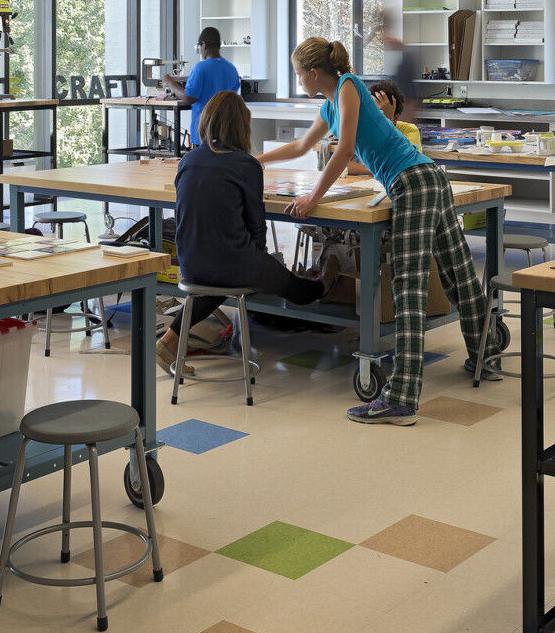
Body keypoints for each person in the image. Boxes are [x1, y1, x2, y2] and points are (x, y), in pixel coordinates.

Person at [260, 38, 491, 426]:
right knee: (458, 271)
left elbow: (346, 148)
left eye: (298, 71)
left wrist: (313, 197)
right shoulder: (330, 104)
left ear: (314, 72)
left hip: (413, 182)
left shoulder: (348, 85)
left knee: (408, 289)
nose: (297, 78)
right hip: (427, 177)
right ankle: (487, 352)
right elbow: (301, 145)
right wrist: (254, 160)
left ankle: (401, 399)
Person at [163, 91, 325, 378]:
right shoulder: (245, 164)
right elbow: (256, 225)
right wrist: (260, 255)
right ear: (242, 126)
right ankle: (328, 286)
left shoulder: (187, 160)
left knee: (217, 280)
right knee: (296, 289)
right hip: (232, 264)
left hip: (189, 263)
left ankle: (168, 342)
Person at [163, 27, 241, 128]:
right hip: (226, 129)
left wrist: (170, 83)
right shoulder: (232, 69)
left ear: (204, 44)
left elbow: (189, 98)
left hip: (204, 128)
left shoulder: (201, 67)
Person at [345, 80, 421, 176]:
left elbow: (406, 167)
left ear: (395, 118)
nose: (373, 119)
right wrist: (375, 170)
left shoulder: (409, 130)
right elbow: (341, 165)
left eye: (380, 115)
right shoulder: (365, 129)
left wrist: (386, 124)